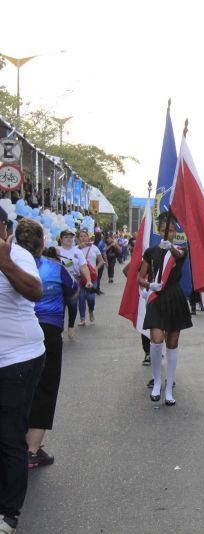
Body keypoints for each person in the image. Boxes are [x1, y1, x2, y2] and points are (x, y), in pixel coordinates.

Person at [14, 220, 78, 470]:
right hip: (48, 332)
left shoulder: (9, 265)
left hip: (14, 332)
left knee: (14, 388)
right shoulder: (55, 267)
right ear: (43, 242)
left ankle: (13, 445)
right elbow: (73, 292)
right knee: (45, 387)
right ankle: (31, 450)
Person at [0, 209, 45, 534]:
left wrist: (5, 262)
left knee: (7, 437)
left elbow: (34, 291)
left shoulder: (18, 255)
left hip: (17, 361)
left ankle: (8, 514)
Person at [138, 212, 192, 406]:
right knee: (156, 339)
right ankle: (157, 381)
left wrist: (171, 248)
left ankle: (169, 387)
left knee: (172, 343)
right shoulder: (151, 252)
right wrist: (149, 285)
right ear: (158, 231)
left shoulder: (179, 250)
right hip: (157, 298)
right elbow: (140, 277)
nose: (167, 233)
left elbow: (179, 256)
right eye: (164, 230)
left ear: (175, 232)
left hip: (175, 298)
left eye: (171, 230)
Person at [57, 229, 92, 339]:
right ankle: (60, 328)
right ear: (61, 239)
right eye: (66, 237)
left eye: (71, 237)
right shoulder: (57, 250)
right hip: (59, 281)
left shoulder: (77, 251)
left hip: (73, 281)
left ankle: (71, 327)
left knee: (72, 305)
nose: (69, 239)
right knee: (60, 306)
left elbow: (84, 266)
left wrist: (89, 280)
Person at [76, 229, 104, 326]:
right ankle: (82, 319)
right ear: (78, 238)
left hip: (92, 276)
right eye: (81, 236)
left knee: (91, 297)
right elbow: (70, 262)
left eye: (85, 236)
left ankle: (91, 311)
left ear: (88, 237)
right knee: (81, 298)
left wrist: (96, 268)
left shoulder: (94, 248)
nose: (83, 238)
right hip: (80, 277)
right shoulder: (75, 249)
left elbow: (101, 261)